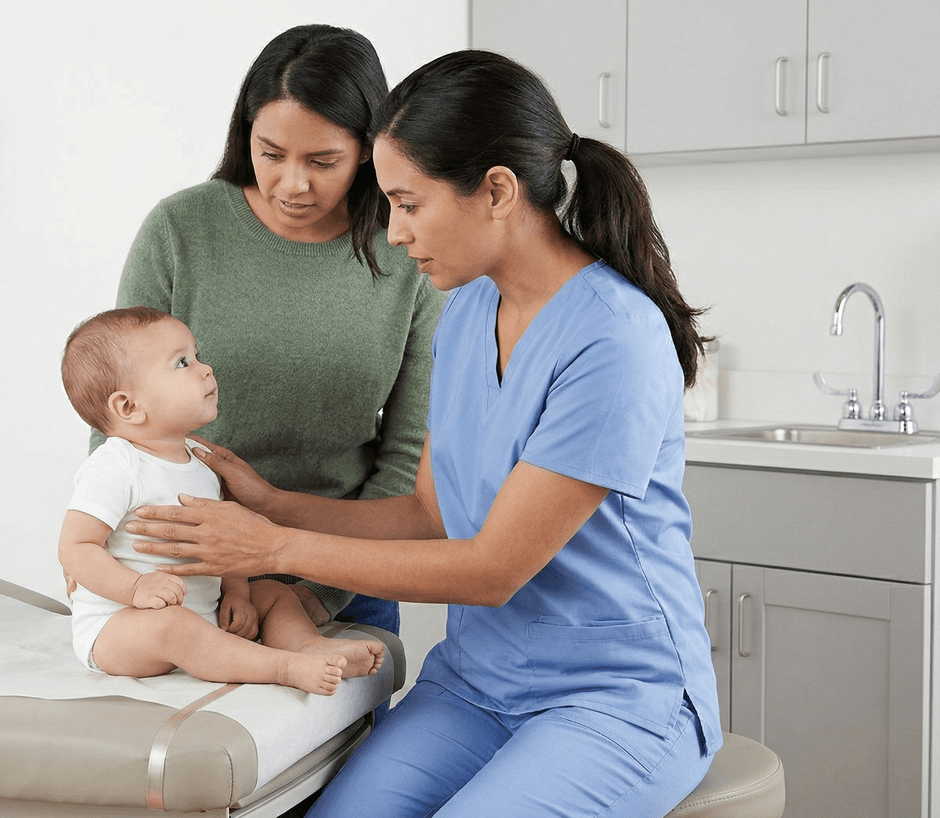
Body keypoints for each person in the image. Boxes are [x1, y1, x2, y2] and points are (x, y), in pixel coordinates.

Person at [124, 50, 722, 817]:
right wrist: (271, 503)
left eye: (408, 203)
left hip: (616, 695)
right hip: (477, 682)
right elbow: (427, 518)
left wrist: (271, 549)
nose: (395, 233)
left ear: (497, 191)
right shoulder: (470, 312)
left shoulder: (613, 338)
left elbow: (492, 569)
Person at [106, 23, 443, 637]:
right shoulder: (182, 230)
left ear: (368, 148)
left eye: (323, 161)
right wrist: (119, 558)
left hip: (345, 575)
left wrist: (320, 593)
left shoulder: (408, 248)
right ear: (246, 136)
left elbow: (408, 456)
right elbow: (122, 421)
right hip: (190, 575)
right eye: (270, 153)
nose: (293, 183)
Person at [58, 306, 383, 695]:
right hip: (121, 627)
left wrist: (238, 593)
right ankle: (282, 666)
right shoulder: (115, 465)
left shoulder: (202, 459)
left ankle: (308, 645)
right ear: (129, 407)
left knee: (274, 593)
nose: (205, 369)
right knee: (174, 628)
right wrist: (134, 588)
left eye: (197, 356)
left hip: (202, 614)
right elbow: (75, 547)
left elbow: (228, 543)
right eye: (181, 363)